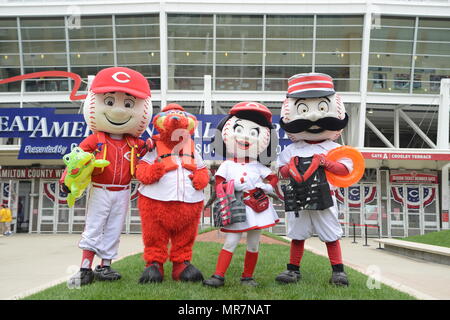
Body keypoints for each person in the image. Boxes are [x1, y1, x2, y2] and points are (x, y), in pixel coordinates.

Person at [64, 67, 153, 287]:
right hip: (100, 189)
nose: (120, 111)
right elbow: (76, 160)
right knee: (94, 226)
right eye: (111, 102)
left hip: (122, 191)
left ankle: (105, 265)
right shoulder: (95, 139)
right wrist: (66, 180)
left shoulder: (133, 142)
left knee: (114, 227)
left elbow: (152, 146)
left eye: (129, 104)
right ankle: (85, 267)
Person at [275, 73, 353, 286]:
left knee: (330, 233)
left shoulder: (335, 149)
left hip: (325, 197)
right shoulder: (291, 150)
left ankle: (338, 271)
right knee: (297, 234)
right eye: (303, 110)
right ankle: (293, 270)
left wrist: (326, 163)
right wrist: (288, 169)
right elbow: (280, 170)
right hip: (298, 197)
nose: (312, 118)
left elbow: (345, 170)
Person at [203, 101, 280, 287]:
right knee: (230, 242)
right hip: (237, 208)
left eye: (254, 133)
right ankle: (218, 275)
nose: (246, 137)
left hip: (257, 209)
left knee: (254, 245)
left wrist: (265, 187)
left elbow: (273, 179)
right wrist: (233, 185)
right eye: (240, 130)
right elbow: (219, 184)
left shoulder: (259, 166)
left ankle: (248, 277)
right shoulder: (227, 165)